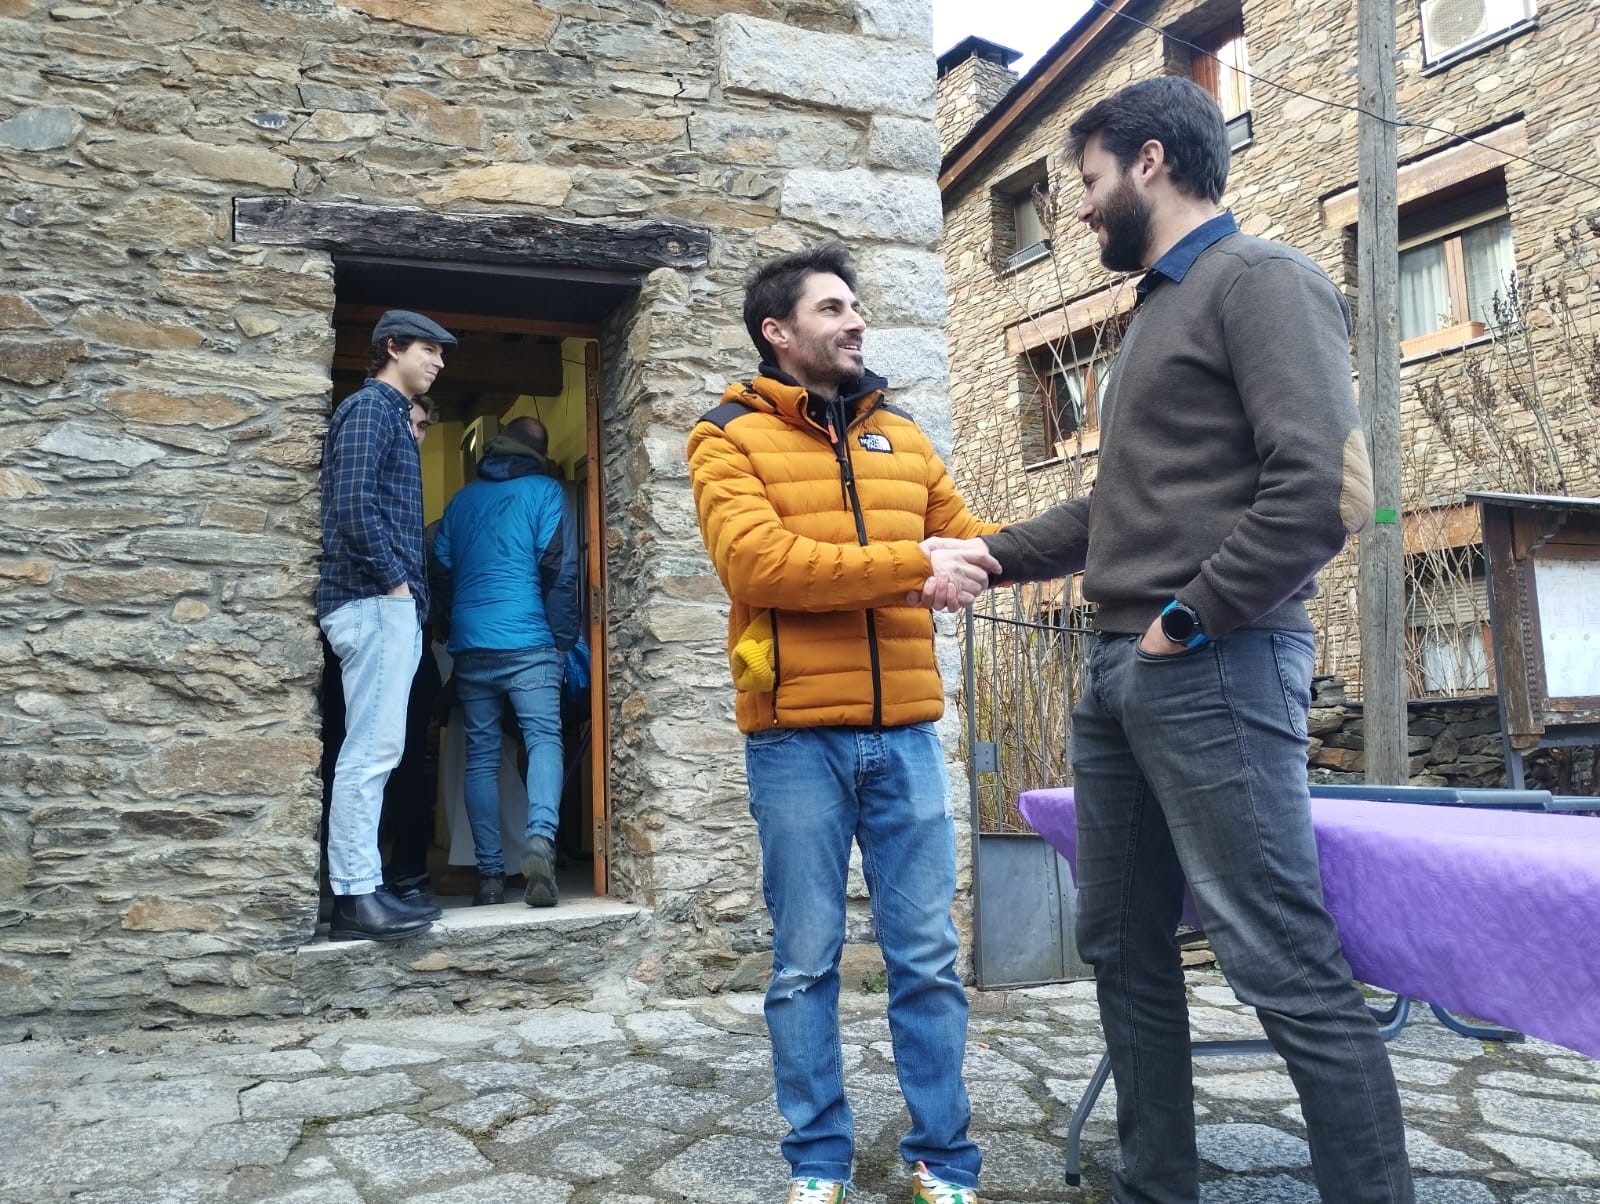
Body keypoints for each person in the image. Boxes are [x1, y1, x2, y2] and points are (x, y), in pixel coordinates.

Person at [937, 77, 1411, 1202]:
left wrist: (1186, 623)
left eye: (1089, 181)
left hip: (1212, 659)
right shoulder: (1159, 309)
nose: (1080, 207)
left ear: (1149, 161)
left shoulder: (1262, 280)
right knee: (1119, 940)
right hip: (1120, 669)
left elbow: (1324, 493)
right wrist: (983, 554)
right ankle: (1157, 1187)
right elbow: (1119, 507)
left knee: (1279, 955)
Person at [687, 242, 1001, 1204]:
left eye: (856, 305)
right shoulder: (726, 437)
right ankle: (818, 1161)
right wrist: (915, 565)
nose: (856, 319)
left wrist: (998, 552)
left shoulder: (901, 435)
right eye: (832, 308)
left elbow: (970, 539)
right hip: (794, 738)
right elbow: (759, 566)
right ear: (778, 332)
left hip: (906, 732)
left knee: (928, 961)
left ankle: (942, 1160)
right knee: (804, 963)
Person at [318, 309, 456, 942]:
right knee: (369, 754)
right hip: (375, 602)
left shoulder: (389, 415)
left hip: (383, 604)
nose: (439, 362)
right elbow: (352, 504)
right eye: (429, 349)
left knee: (378, 752)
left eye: (443, 353)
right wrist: (396, 584)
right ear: (392, 347)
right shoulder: (371, 409)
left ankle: (365, 889)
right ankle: (354, 900)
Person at [434, 417, 580, 908]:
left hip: (472, 645)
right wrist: (562, 641)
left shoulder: (461, 501)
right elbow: (559, 569)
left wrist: (451, 625)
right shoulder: (546, 492)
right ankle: (539, 839)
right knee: (543, 739)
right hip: (529, 640)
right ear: (541, 453)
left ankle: (490, 876)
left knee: (480, 754)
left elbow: (440, 568)